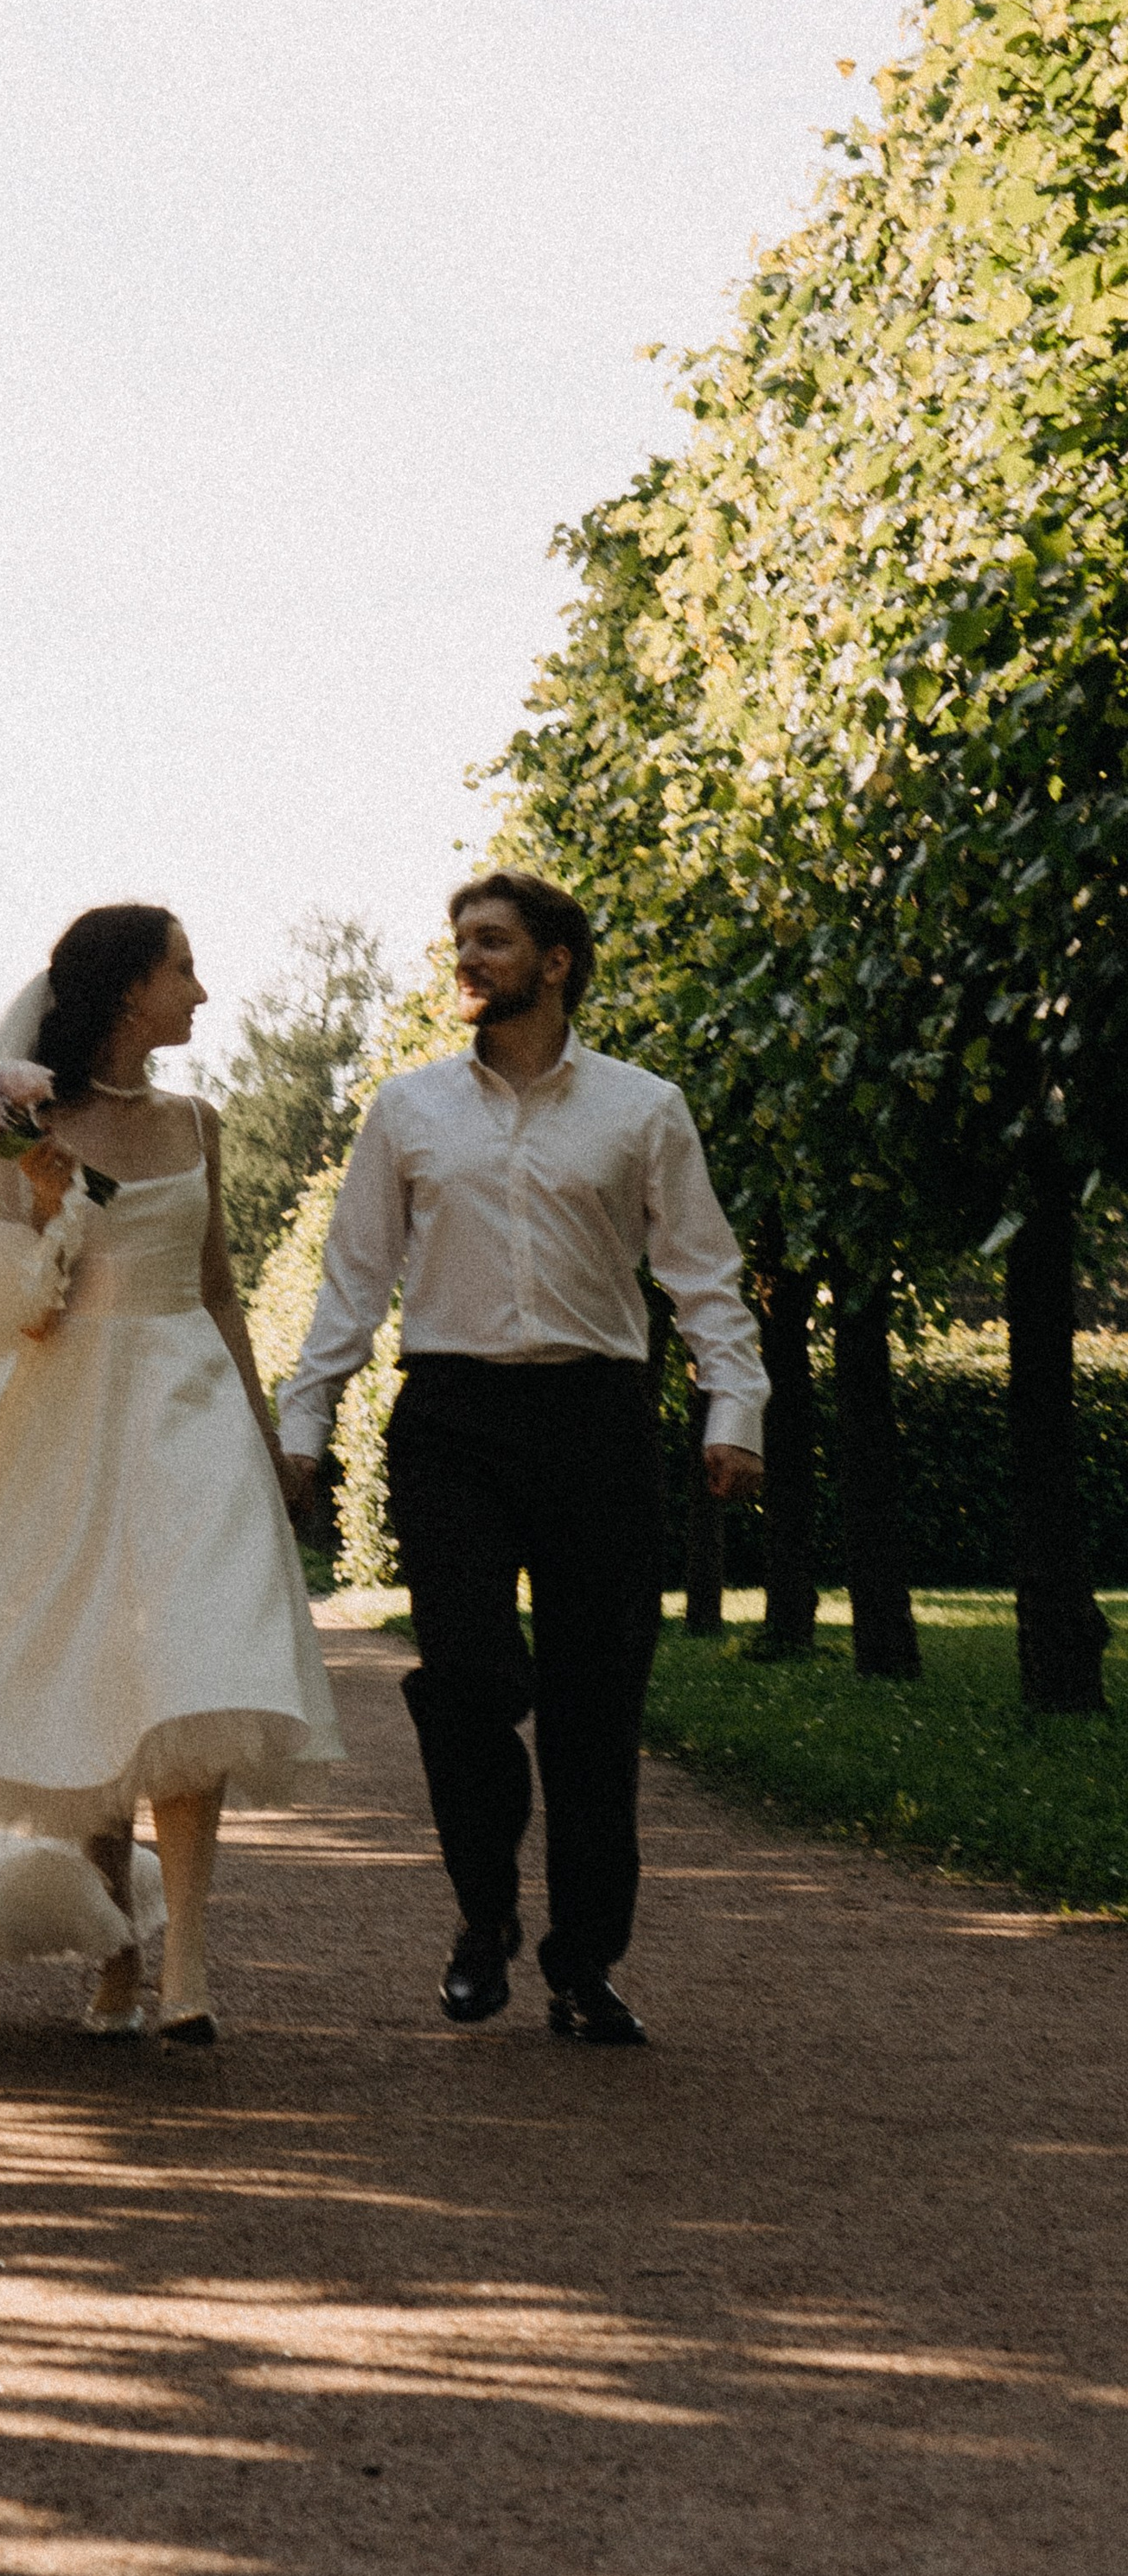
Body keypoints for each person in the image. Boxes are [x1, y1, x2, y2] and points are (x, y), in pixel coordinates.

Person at [0, 903, 342, 2045]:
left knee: (198, 1665)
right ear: (129, 991)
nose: (201, 994)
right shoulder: (16, 1115)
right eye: (185, 971)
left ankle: (193, 1967)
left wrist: (262, 1436)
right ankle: (116, 1943)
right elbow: (7, 1300)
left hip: (192, 1409)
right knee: (105, 1668)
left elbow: (217, 1287)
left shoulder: (198, 1123)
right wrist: (47, 1205)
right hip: (73, 1403)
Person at [278, 869, 767, 2047]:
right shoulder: (407, 1111)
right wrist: (304, 1424)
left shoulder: (644, 1110)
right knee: (472, 1680)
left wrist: (733, 1408)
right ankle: (483, 1916)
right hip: (451, 1420)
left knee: (597, 1706)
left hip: (597, 1422)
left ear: (556, 961)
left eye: (492, 942)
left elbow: (702, 1273)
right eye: (462, 942)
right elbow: (353, 1280)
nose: (469, 959)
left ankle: (583, 1964)